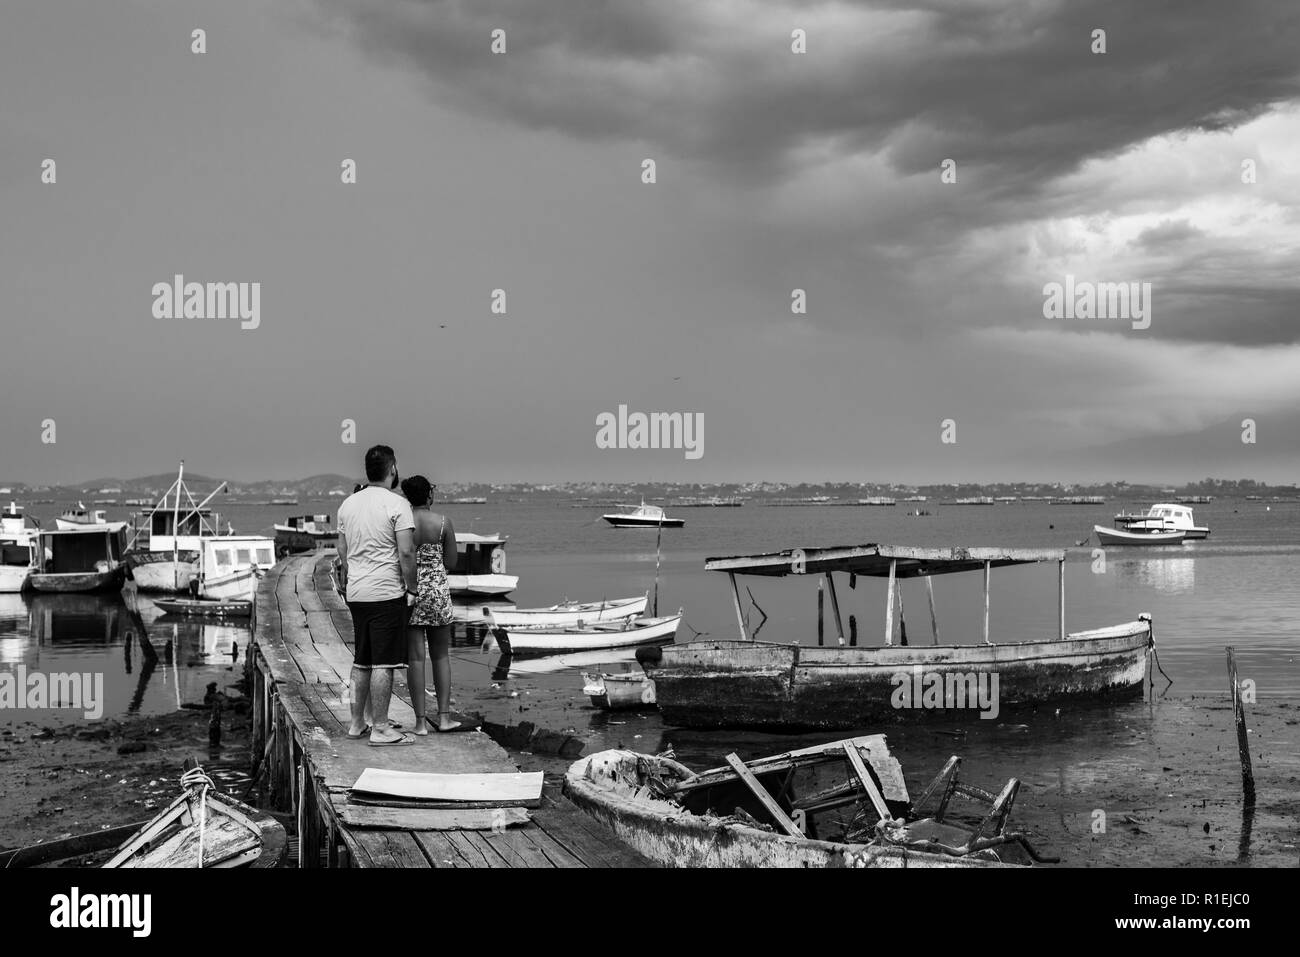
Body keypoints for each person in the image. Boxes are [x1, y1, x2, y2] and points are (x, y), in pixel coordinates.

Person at [336, 445, 418, 746]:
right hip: (386, 592)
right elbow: (407, 552)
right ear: (393, 468)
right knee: (384, 662)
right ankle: (381, 728)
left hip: (357, 592)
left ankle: (357, 723)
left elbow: (342, 550)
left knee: (362, 660)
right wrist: (412, 588)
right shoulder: (397, 505)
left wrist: (350, 575)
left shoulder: (348, 505)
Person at [400, 475, 472, 732]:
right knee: (441, 656)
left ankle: (420, 723)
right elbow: (451, 562)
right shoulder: (443, 523)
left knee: (416, 659)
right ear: (428, 495)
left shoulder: (403, 522)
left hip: (410, 591)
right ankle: (443, 718)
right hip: (437, 592)